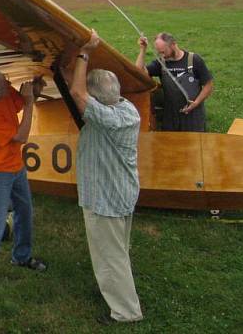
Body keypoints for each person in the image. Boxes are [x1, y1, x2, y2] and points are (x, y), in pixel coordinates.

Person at [68, 29, 143, 325]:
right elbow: (84, 94)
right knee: (118, 251)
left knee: (109, 257)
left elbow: (76, 93)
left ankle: (126, 312)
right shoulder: (128, 109)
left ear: (96, 101)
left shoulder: (106, 119)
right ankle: (119, 292)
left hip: (105, 198)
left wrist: (85, 51)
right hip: (124, 192)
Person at [0, 71, 46, 288]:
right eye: (5, 86)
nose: (9, 86)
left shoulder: (3, 92)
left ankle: (21, 256)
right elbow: (21, 137)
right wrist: (29, 102)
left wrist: (34, 89)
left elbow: (17, 103)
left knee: (24, 211)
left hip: (16, 166)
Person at [135, 32, 214, 131]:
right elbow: (138, 73)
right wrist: (143, 50)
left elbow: (208, 85)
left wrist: (196, 103)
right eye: (159, 52)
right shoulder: (161, 63)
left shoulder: (194, 60)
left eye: (163, 52)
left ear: (173, 44)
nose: (161, 55)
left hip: (193, 116)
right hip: (170, 117)